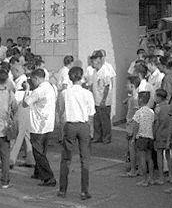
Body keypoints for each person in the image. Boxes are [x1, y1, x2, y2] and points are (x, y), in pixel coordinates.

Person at [57, 66, 95, 200]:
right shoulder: (87, 93)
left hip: (70, 124)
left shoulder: (64, 93)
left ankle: (62, 189)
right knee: (85, 159)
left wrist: (61, 126)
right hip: (83, 124)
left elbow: (61, 110)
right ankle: (84, 190)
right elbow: (91, 114)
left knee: (66, 158)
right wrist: (91, 129)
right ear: (81, 77)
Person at [22, 67, 57, 187]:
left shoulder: (39, 91)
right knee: (42, 150)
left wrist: (26, 90)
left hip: (38, 125)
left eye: (33, 80)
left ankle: (48, 177)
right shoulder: (51, 87)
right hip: (47, 123)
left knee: (38, 152)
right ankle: (38, 172)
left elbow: (25, 103)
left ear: (36, 79)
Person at [90, 50, 115, 144]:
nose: (92, 63)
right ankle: (97, 136)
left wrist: (104, 99)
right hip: (96, 99)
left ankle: (106, 138)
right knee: (97, 120)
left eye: (93, 61)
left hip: (104, 101)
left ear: (98, 60)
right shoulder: (95, 72)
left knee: (105, 120)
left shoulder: (105, 71)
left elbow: (107, 86)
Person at [132, 91, 156, 187]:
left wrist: (134, 138)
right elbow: (154, 124)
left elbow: (136, 126)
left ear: (141, 100)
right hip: (150, 137)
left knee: (142, 158)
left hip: (141, 137)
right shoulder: (151, 112)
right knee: (149, 158)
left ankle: (144, 179)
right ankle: (151, 178)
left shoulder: (139, 112)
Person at [153, 88, 172, 185]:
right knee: (168, 155)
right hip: (168, 133)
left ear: (159, 97)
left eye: (156, 96)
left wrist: (153, 134)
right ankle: (171, 176)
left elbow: (156, 123)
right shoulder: (170, 107)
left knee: (159, 155)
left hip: (160, 133)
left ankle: (161, 177)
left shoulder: (158, 108)